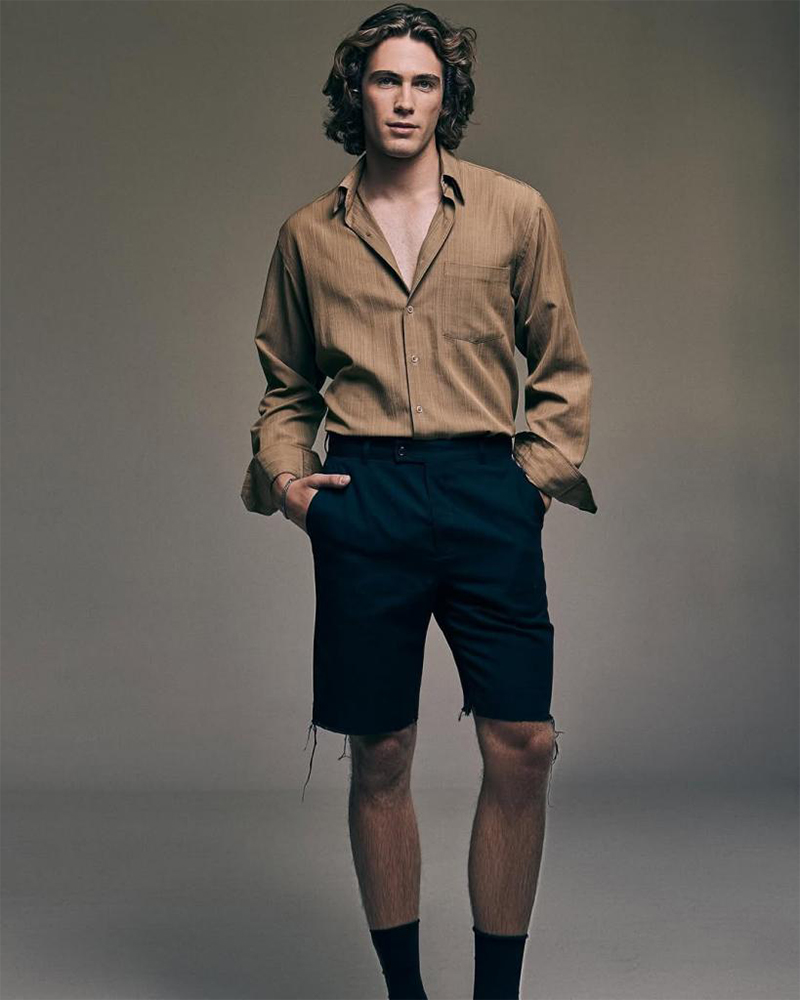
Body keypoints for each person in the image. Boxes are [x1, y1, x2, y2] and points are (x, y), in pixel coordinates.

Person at [240, 4, 597, 998]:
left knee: (522, 744)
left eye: (424, 82)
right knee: (381, 752)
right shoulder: (307, 235)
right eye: (386, 80)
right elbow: (284, 386)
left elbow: (561, 370)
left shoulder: (513, 211)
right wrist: (291, 485)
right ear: (356, 93)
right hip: (367, 495)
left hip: (486, 491)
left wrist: (529, 485)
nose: (404, 100)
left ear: (448, 96)